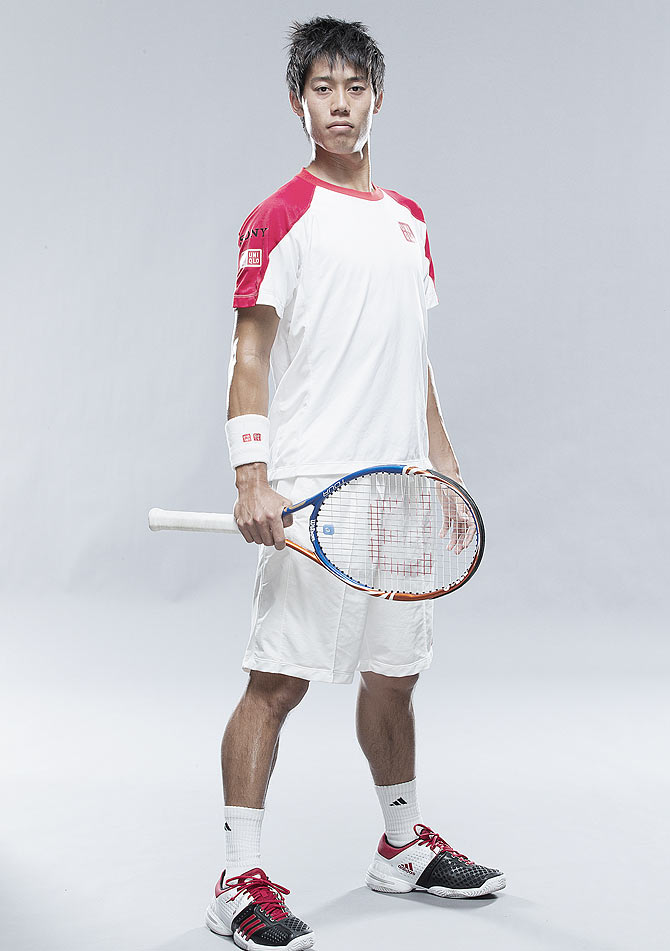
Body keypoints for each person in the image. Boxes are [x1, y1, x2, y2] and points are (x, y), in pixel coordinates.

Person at [204, 16, 505, 949]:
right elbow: (249, 352)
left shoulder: (409, 220)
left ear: (377, 98)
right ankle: (233, 880)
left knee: (394, 675)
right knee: (277, 681)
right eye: (322, 89)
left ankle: (402, 847)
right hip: (313, 491)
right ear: (299, 102)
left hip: (401, 492)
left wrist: (443, 460)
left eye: (354, 88)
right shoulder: (277, 216)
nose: (339, 104)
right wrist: (252, 473)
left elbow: (412, 354)